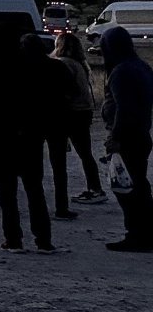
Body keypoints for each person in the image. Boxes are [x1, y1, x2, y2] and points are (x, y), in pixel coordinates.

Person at [0, 33, 55, 252]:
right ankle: (43, 239)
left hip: (2, 131)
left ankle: (13, 238)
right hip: (29, 131)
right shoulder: (30, 63)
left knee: (7, 191)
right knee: (34, 188)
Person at [98, 26, 153, 252]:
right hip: (140, 134)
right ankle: (145, 232)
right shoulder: (141, 66)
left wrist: (115, 136)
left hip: (128, 137)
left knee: (127, 189)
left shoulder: (120, 71)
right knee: (139, 186)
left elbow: (124, 107)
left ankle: (137, 235)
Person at [50, 32, 104, 210]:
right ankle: (95, 187)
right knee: (85, 152)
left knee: (67, 154)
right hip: (84, 110)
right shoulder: (80, 63)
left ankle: (93, 189)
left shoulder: (62, 64)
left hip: (71, 111)